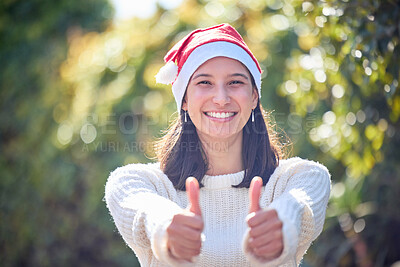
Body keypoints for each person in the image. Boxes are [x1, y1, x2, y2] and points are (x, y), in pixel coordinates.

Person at [105, 23, 331, 267]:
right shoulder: (139, 183)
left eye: (235, 82)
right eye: (204, 83)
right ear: (184, 100)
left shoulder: (298, 178)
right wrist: (167, 227)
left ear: (254, 97)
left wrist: (281, 225)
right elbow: (145, 210)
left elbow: (299, 206)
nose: (221, 99)